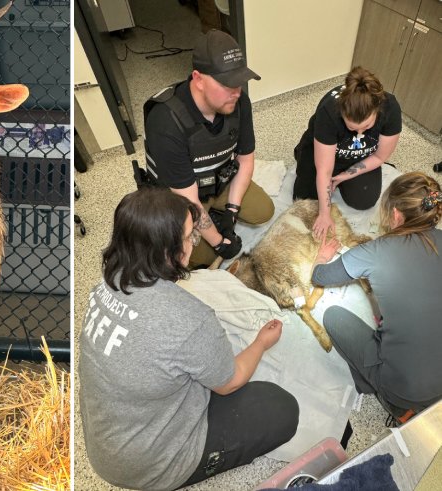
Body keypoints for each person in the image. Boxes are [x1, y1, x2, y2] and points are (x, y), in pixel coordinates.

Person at [79, 187, 298, 491]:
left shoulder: (107, 281)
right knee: (281, 409)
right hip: (151, 466)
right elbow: (230, 382)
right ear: (167, 252)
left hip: (106, 447)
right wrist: (261, 342)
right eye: (189, 237)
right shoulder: (190, 319)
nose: (194, 244)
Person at [312, 172, 442, 423]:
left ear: (395, 215)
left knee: (333, 316)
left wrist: (321, 258)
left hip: (406, 391)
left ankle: (391, 401)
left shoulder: (374, 251)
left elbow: (320, 277)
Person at [143, 29, 274, 268]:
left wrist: (233, 209)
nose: (237, 91)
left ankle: (218, 211)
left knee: (264, 211)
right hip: (181, 198)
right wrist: (219, 242)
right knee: (200, 257)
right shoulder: (166, 122)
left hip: (218, 181)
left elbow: (245, 159)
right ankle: (210, 220)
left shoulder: (238, 101)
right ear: (199, 79)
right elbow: (189, 200)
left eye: (239, 82)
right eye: (227, 84)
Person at [293, 66, 402, 240]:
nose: (359, 133)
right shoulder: (329, 111)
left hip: (359, 158)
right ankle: (302, 154)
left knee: (364, 201)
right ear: (342, 112)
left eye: (366, 127)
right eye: (352, 127)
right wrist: (324, 214)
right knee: (305, 206)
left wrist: (344, 176)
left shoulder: (390, 108)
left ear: (377, 110)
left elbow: (380, 156)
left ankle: (342, 180)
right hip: (323, 155)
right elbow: (324, 171)